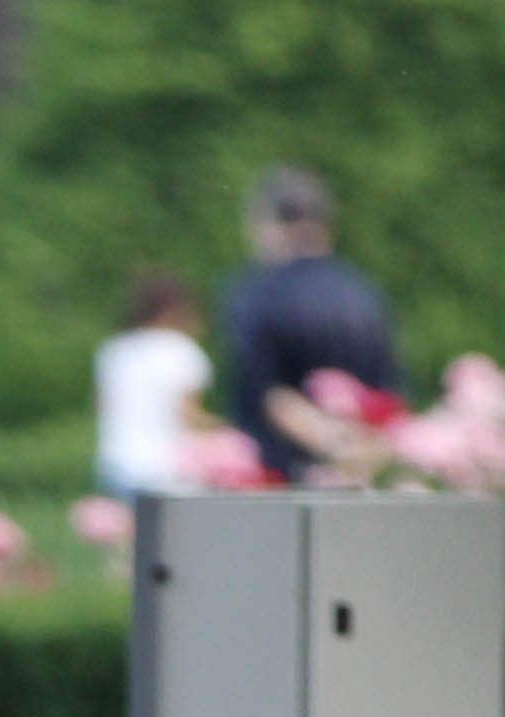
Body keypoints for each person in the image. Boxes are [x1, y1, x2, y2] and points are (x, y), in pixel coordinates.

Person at [220, 166, 399, 485]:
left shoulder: (256, 293)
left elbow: (268, 394)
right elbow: (387, 399)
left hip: (280, 483)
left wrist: (331, 442)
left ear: (271, 223)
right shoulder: (365, 293)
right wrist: (356, 453)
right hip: (357, 477)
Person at [91, 271, 218, 498]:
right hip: (166, 471)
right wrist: (227, 431)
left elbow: (99, 406)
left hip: (115, 465)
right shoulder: (181, 350)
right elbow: (189, 416)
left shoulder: (114, 349)